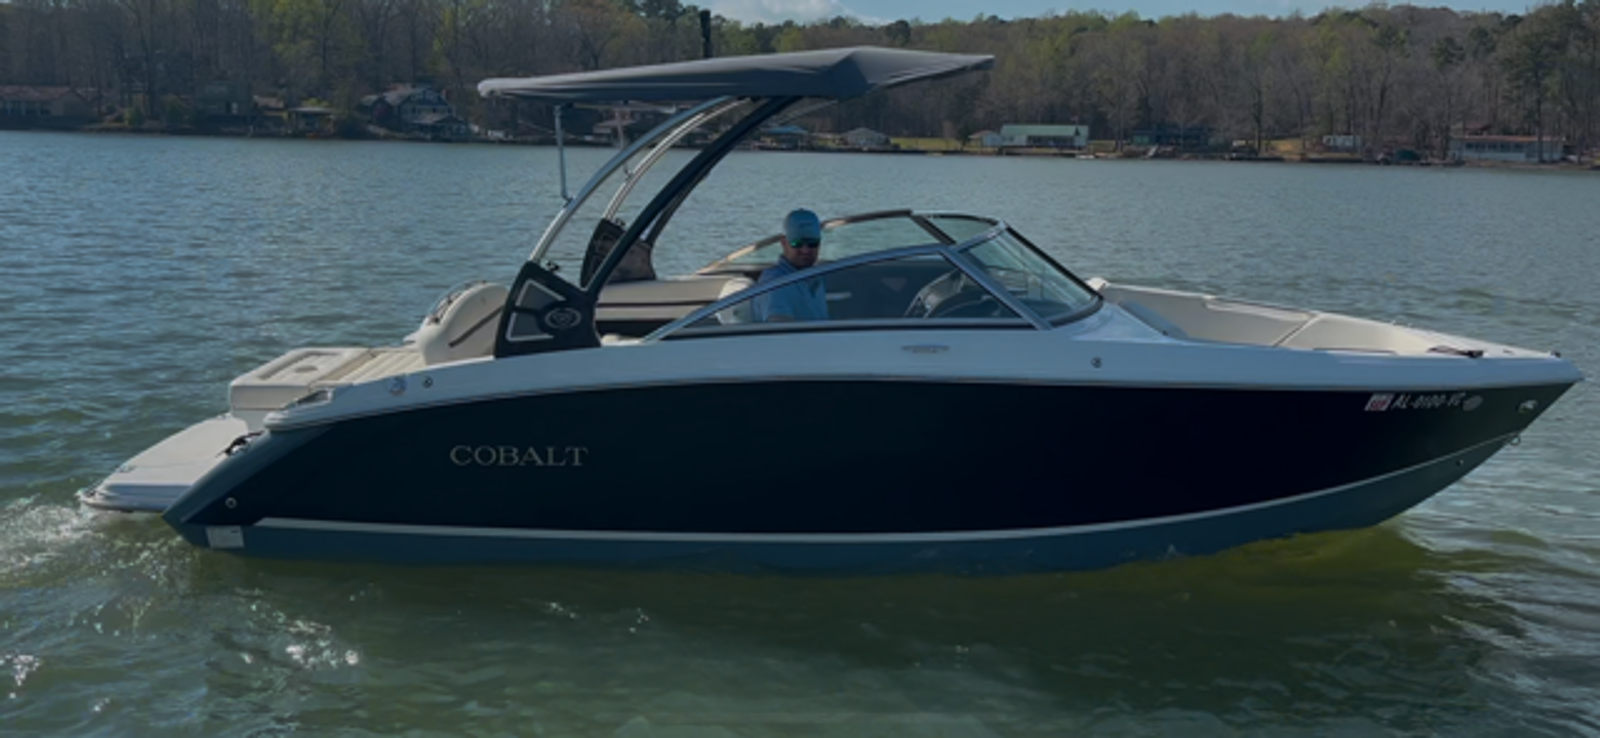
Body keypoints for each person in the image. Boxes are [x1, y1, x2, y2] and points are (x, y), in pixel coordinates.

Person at [751, 209, 828, 322]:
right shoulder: (776, 284)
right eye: (797, 243)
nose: (805, 250)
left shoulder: (814, 277)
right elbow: (780, 330)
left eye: (812, 243)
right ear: (784, 243)